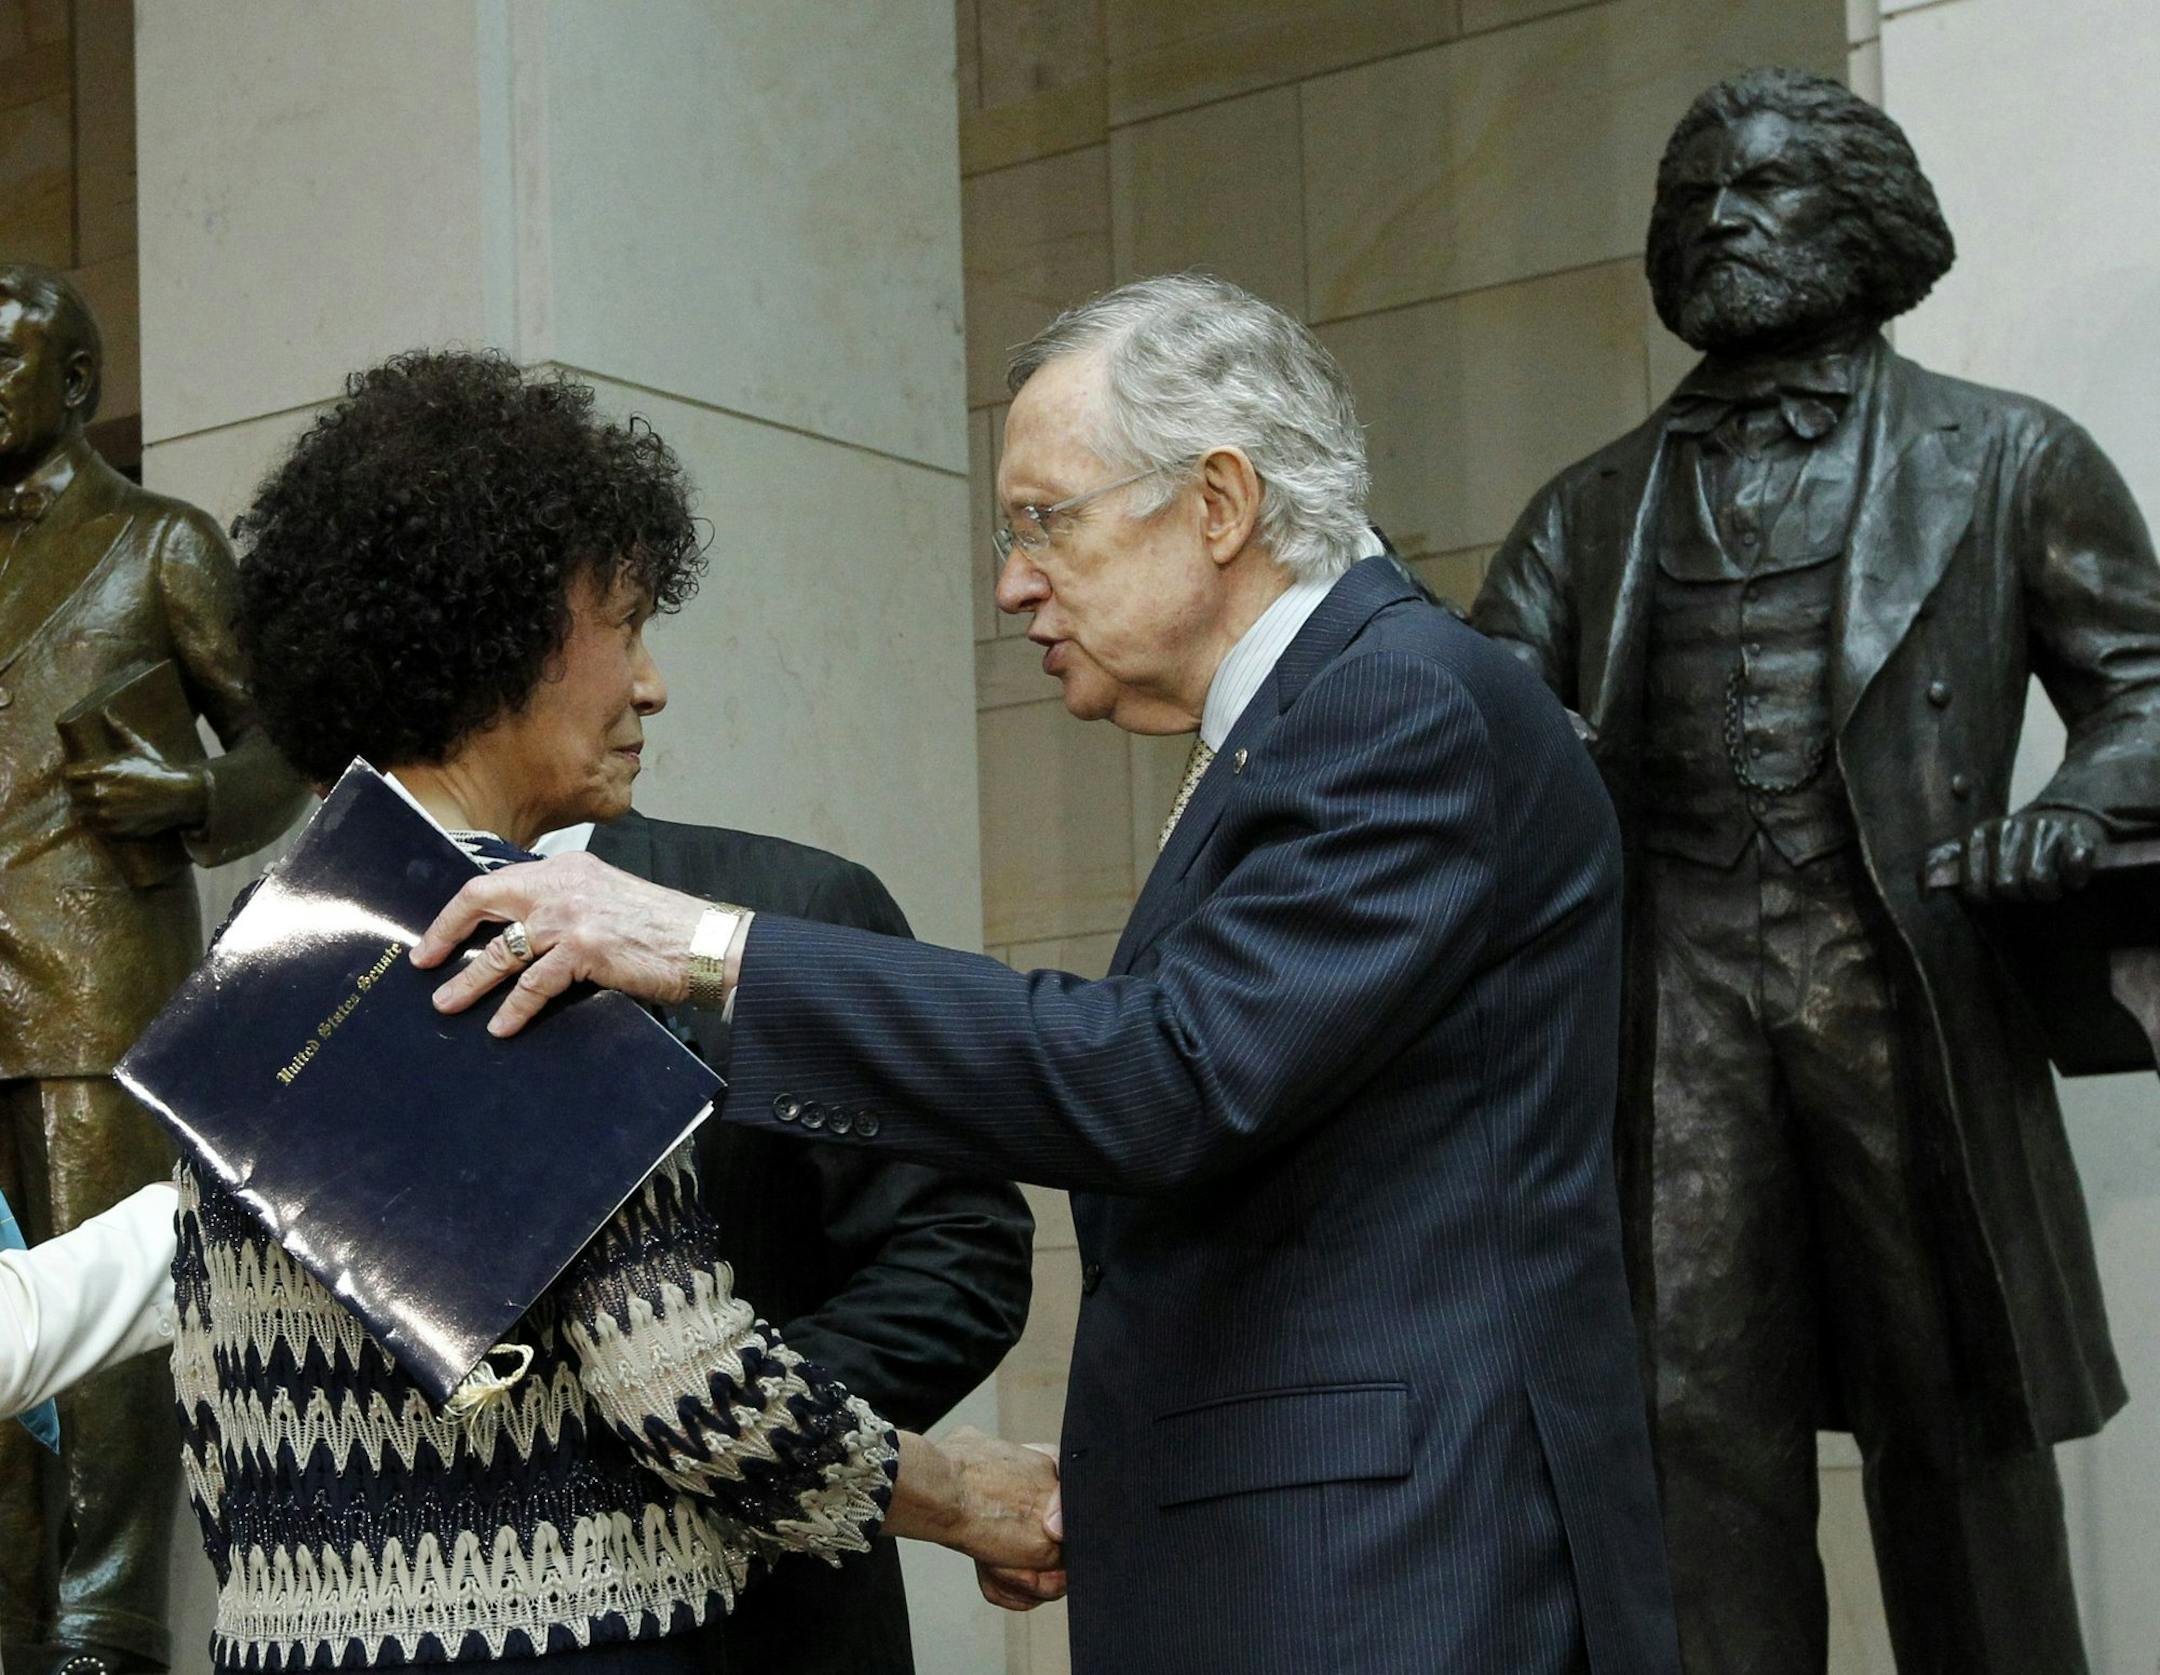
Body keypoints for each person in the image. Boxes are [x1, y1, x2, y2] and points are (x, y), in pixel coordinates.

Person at [416, 276, 1680, 1675]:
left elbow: (1164, 1072)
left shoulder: (1400, 701)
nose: (1014, 580)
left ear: (1218, 500)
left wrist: (713, 948)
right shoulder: (1322, 715)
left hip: (1394, 1565)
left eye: (1044, 521)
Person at [192, 349, 1058, 1674]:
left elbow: (213, 1410)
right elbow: (687, 1389)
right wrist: (972, 1495)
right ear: (508, 630)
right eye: (628, 623)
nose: (648, 682)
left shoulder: (262, 944)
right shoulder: (518, 939)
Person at [1471, 69, 2160, 1675]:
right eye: (1693, 190)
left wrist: (2080, 804)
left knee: (1961, 1432)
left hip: (1909, 993)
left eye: (1763, 186)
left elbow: (2146, 683)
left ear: (1863, 218)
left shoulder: (2005, 456)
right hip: (1674, 1010)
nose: (1719, 216)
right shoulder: (1591, 506)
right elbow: (1472, 726)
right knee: (1687, 1430)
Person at [0, 262, 307, 1675]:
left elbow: (286, 746)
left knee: (110, 1340)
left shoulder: (158, 540)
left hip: (93, 986)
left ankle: (101, 1625)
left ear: (71, 385)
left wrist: (187, 799)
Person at [538, 808, 1036, 1673]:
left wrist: (751, 1436)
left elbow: (958, 1246)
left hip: (755, 1632)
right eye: (616, 656)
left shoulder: (783, 906)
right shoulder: (286, 961)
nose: (648, 686)